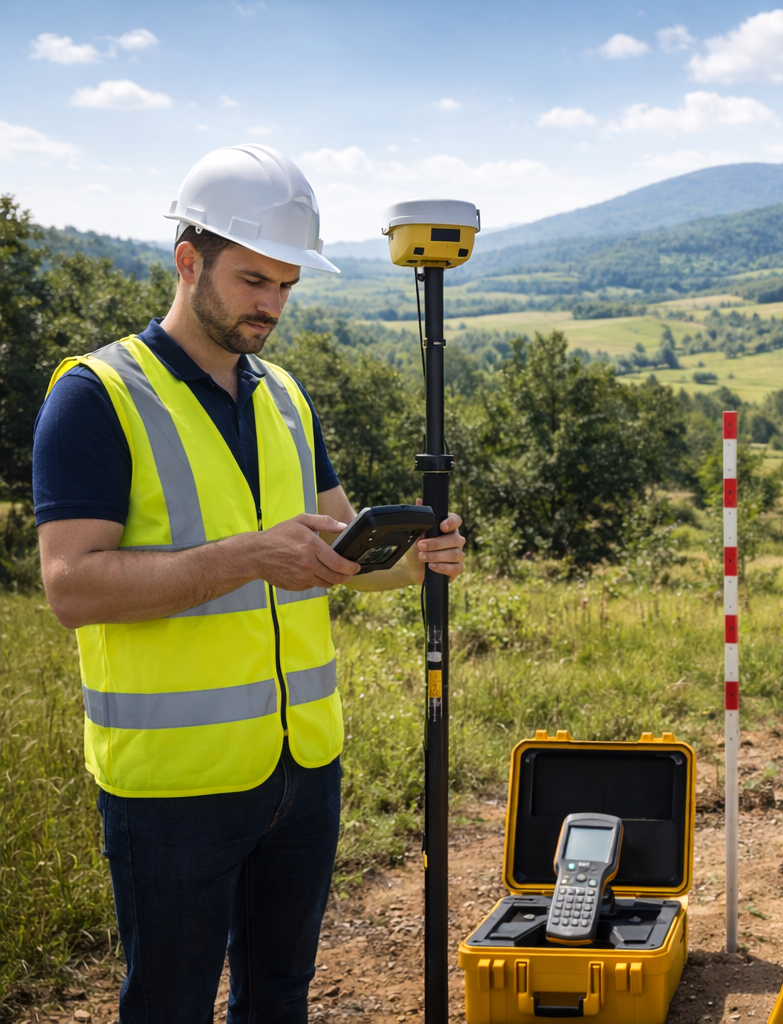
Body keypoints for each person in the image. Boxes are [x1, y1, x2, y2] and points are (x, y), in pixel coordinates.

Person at [32, 143, 466, 1024]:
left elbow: (339, 553)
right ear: (189, 263)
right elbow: (70, 588)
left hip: (302, 766)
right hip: (173, 784)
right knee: (171, 1005)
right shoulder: (96, 394)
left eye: (287, 287)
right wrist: (245, 557)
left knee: (278, 997)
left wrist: (417, 556)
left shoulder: (285, 397)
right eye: (254, 281)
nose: (272, 305)